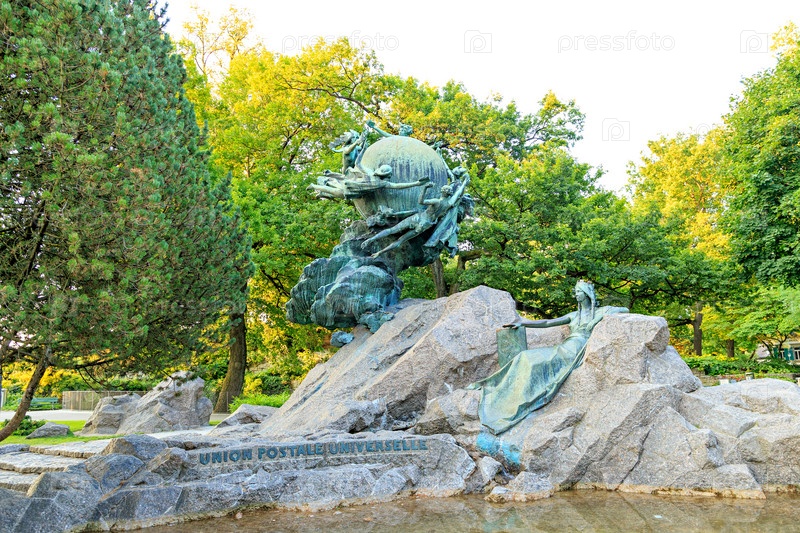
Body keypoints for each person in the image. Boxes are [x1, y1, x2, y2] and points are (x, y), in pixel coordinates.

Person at [469, 280, 628, 434]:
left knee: (537, 364)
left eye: (579, 291)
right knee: (524, 356)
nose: (576, 294)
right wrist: (523, 323)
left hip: (575, 350)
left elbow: (624, 309)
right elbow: (547, 323)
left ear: (587, 294)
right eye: (576, 291)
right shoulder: (574, 315)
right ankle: (502, 390)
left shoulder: (601, 311)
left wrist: (596, 320)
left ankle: (522, 400)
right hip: (564, 346)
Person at [360, 175, 469, 258]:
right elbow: (458, 193)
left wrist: (425, 188)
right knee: (400, 241)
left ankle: (371, 240)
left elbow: (420, 201)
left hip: (418, 218)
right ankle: (379, 253)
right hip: (425, 225)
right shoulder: (449, 204)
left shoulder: (436, 201)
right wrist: (464, 183)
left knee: (392, 230)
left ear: (442, 192)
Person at [309, 165, 429, 200]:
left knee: (333, 191)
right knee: (334, 192)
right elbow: (397, 186)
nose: (391, 176)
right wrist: (416, 183)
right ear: (385, 175)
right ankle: (314, 186)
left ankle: (320, 192)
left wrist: (362, 146)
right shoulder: (382, 184)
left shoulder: (372, 174)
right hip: (351, 190)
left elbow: (359, 163)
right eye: (389, 174)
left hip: (351, 186)